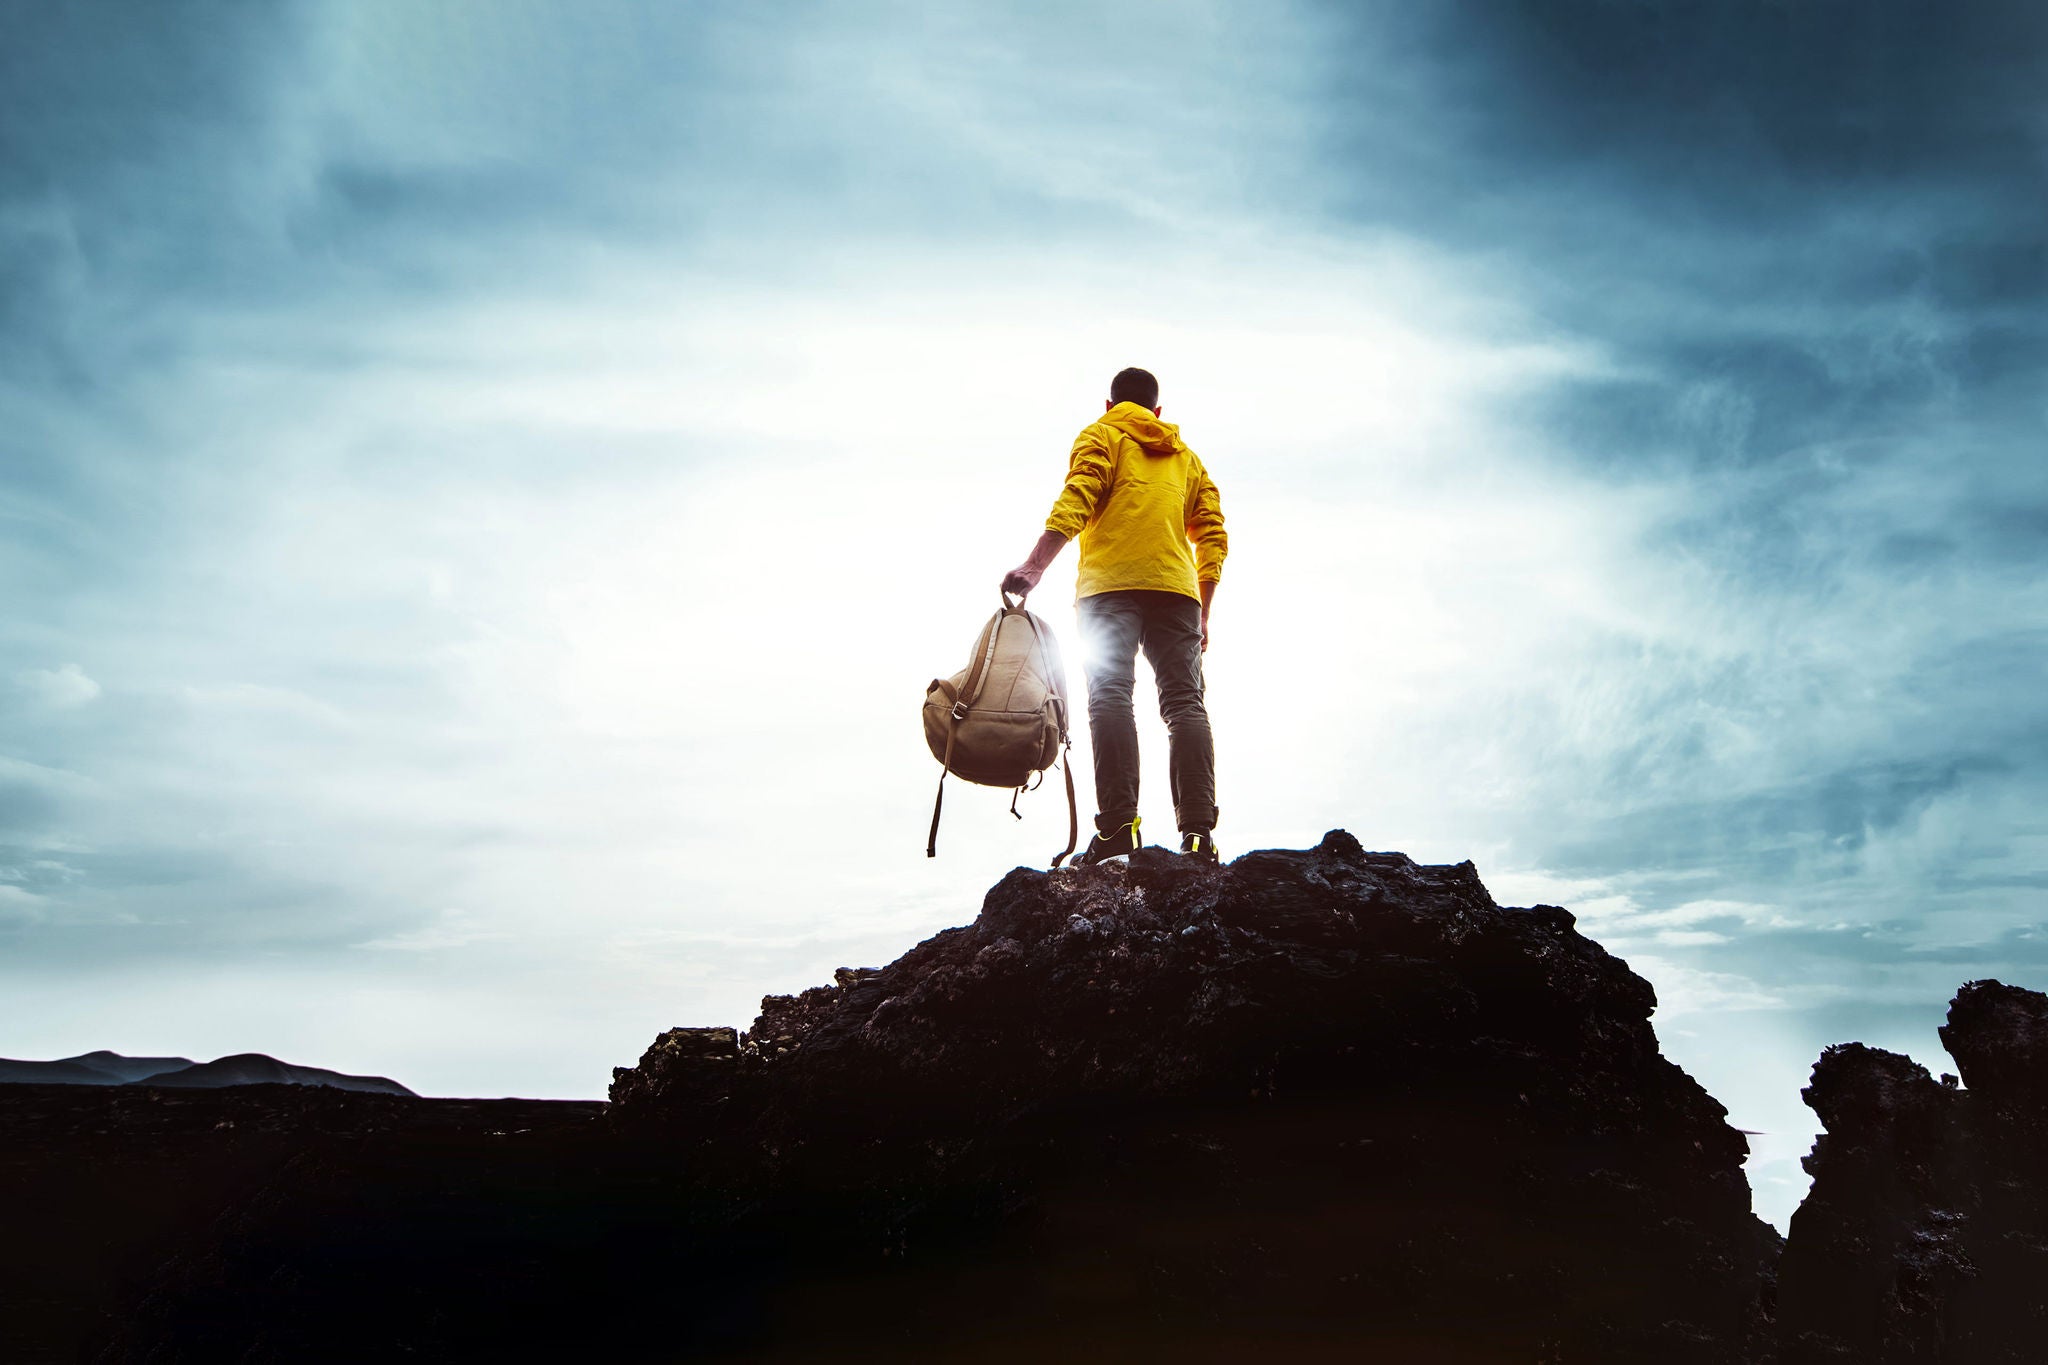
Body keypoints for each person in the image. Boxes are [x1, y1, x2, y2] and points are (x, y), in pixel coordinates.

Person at [1001, 367, 1227, 865]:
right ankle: (1197, 835)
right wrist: (1203, 606)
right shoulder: (1187, 458)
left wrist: (1036, 565)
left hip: (1110, 588)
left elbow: (1079, 496)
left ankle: (1119, 829)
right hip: (1177, 591)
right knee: (1186, 705)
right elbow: (1212, 533)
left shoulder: (1102, 434)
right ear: (1158, 412)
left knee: (1109, 700)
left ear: (1110, 405)